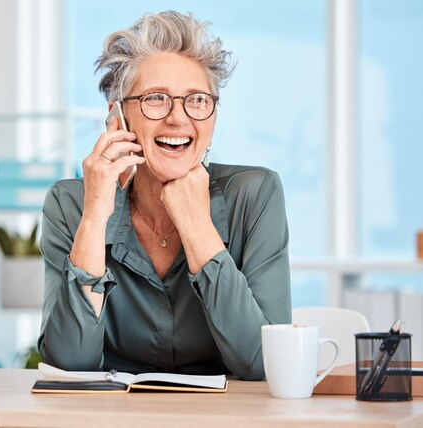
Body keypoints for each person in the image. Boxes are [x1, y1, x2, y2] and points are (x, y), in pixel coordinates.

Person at [37, 10, 291, 381]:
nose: (179, 118)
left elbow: (262, 363)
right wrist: (95, 215)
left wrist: (196, 225)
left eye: (198, 100)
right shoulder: (70, 203)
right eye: (156, 99)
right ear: (118, 117)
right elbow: (69, 363)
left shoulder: (255, 195)